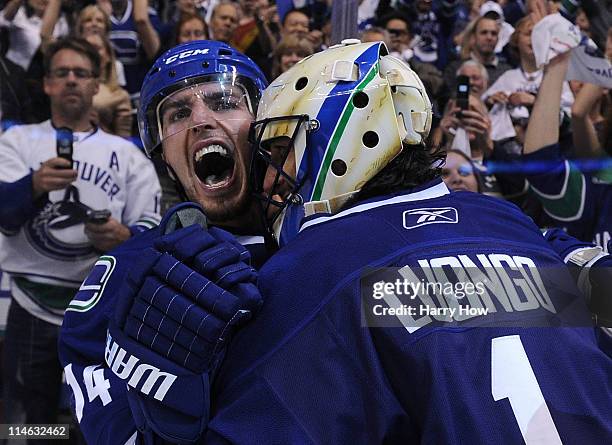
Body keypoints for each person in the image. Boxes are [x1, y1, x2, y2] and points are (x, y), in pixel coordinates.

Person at [58, 40, 268, 444]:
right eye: (178, 113)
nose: (200, 120)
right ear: (164, 154)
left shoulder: (320, 240)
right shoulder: (127, 270)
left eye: (223, 101)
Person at [0, 37, 161, 428]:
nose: (71, 80)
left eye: (81, 73)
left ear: (95, 85)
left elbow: (152, 233)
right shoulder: (16, 141)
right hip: (31, 304)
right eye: (62, 73)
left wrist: (123, 238)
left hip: (100, 309)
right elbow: (3, 215)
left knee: (96, 422)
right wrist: (34, 186)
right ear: (47, 84)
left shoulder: (128, 155)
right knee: (26, 426)